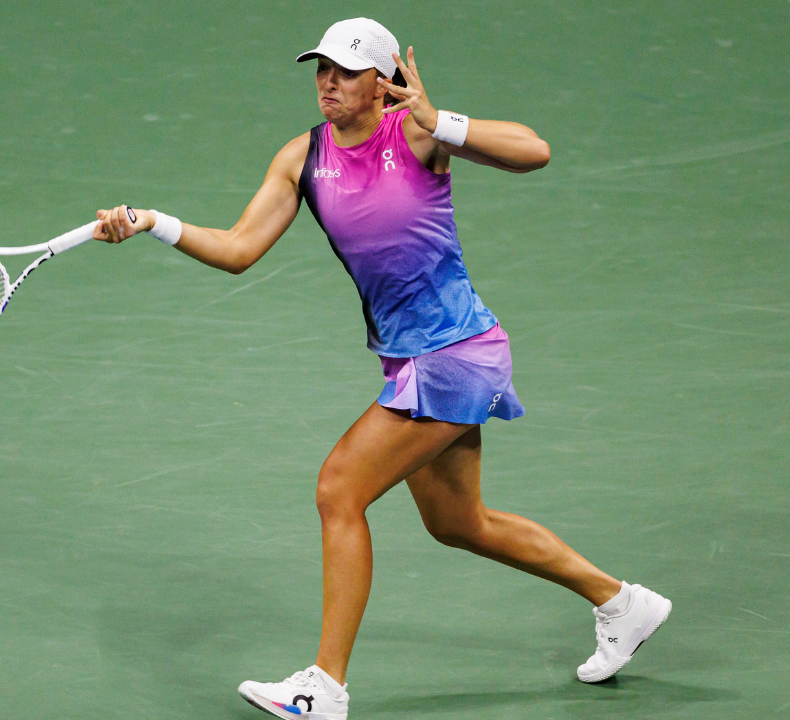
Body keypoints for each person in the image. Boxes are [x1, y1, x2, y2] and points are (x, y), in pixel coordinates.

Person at [93, 17, 670, 719]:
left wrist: (443, 120)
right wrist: (155, 221)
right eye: (322, 69)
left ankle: (324, 688)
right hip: (415, 360)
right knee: (459, 523)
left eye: (345, 70)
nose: (328, 82)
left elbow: (534, 151)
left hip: (454, 353)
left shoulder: (419, 135)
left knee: (339, 489)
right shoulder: (301, 157)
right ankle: (622, 602)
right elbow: (240, 247)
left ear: (382, 81)